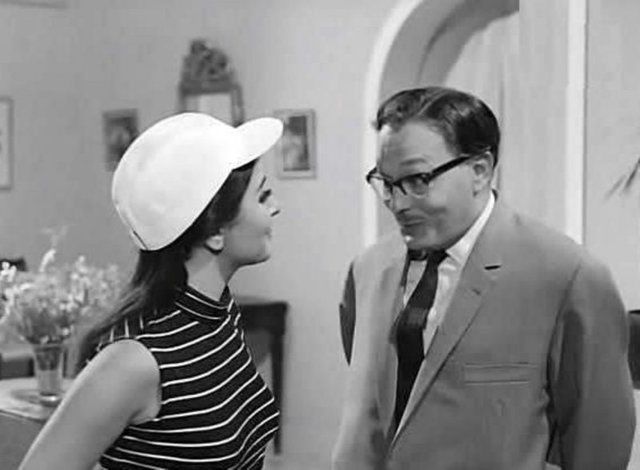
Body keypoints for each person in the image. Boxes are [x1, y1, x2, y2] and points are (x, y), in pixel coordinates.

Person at [332, 86, 635, 470]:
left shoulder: (568, 276)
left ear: (480, 170)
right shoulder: (367, 269)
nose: (398, 203)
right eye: (386, 183)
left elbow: (599, 442)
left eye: (418, 180)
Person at [19, 112, 284, 470]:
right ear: (214, 231)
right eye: (263, 196)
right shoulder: (134, 360)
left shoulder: (219, 314)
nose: (276, 208)